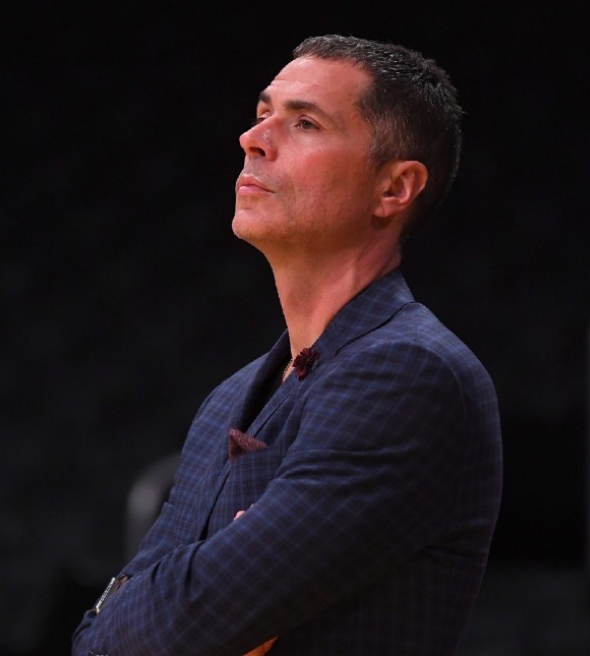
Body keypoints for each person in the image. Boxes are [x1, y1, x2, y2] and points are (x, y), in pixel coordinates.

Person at [73, 34, 503, 655]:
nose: (253, 138)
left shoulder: (409, 374)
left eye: (304, 123)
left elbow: (177, 627)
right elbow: (99, 640)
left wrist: (184, 599)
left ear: (394, 189)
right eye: (261, 113)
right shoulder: (228, 398)